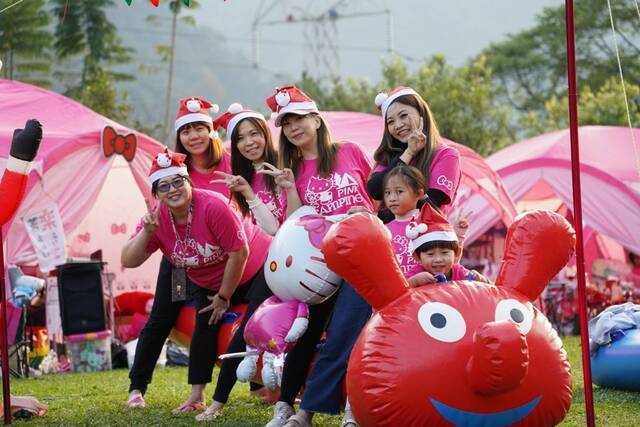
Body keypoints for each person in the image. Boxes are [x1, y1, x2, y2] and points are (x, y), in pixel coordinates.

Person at [126, 98, 271, 418]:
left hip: (232, 250)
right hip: (182, 260)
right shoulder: (173, 169)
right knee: (164, 315)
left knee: (247, 314)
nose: (194, 136)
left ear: (212, 131)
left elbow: (258, 179)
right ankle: (138, 387)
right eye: (187, 130)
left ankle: (258, 383)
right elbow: (131, 254)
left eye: (201, 128)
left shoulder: (232, 160)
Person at [262, 86, 374, 427]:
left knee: (347, 334)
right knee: (306, 336)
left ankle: (348, 411)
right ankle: (293, 409)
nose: (295, 128)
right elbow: (295, 223)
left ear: (316, 119)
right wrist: (290, 190)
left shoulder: (351, 152)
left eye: (299, 119)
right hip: (319, 266)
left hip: (364, 256)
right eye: (287, 123)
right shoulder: (293, 171)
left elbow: (380, 197)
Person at [367, 86, 461, 221]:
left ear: (421, 113)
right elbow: (375, 190)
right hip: (389, 239)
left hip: (425, 239)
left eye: (403, 115)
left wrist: (376, 216)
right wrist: (408, 153)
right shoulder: (389, 155)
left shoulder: (446, 155)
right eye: (391, 121)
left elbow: (430, 205)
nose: (398, 125)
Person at [210, 103, 286, 235]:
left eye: (254, 133)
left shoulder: (289, 163)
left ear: (265, 134)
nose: (249, 142)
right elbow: (272, 229)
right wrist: (248, 192)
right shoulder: (243, 181)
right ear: (236, 145)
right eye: (240, 138)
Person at [406, 202, 491, 285]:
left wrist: (482, 280)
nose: (438, 259)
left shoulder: (459, 272)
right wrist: (413, 282)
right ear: (418, 257)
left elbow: (494, 288)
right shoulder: (416, 274)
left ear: (456, 253)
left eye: (444, 253)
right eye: (430, 254)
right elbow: (398, 293)